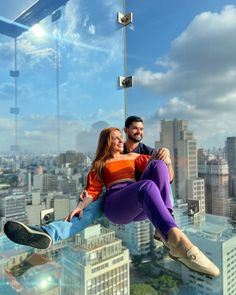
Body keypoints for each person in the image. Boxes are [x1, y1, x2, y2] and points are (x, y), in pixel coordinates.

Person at [4, 127, 219, 277]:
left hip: (142, 202)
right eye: (115, 138)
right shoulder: (100, 163)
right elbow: (93, 190)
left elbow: (167, 176)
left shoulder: (136, 158)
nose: (120, 141)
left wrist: (167, 158)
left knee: (158, 166)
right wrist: (80, 205)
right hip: (117, 203)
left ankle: (165, 228)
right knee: (137, 191)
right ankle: (178, 241)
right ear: (106, 141)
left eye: (120, 138)